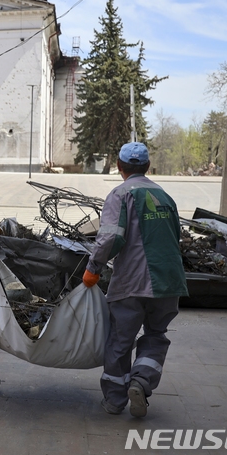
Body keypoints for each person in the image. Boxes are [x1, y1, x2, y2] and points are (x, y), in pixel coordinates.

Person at [82, 142, 187, 418]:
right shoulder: (165, 196)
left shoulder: (120, 194)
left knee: (120, 339)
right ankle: (140, 382)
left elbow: (111, 237)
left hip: (133, 281)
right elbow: (175, 238)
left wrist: (93, 268)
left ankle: (115, 401)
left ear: (119, 167)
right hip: (168, 281)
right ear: (148, 167)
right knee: (155, 334)